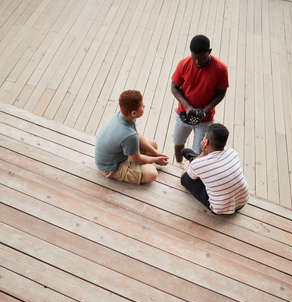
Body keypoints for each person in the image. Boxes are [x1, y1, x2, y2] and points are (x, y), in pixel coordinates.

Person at [171, 34, 229, 163]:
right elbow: (174, 87)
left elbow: (221, 93)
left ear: (209, 52)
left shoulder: (220, 69)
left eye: (201, 58)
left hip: (205, 119)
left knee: (199, 153)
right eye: (194, 58)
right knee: (178, 143)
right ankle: (179, 164)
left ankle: (192, 172)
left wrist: (205, 110)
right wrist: (187, 107)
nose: (197, 62)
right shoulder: (184, 64)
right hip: (183, 114)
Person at [95, 90, 168, 184]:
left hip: (115, 153)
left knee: (153, 145)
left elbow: (136, 134)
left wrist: (156, 153)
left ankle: (145, 157)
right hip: (111, 167)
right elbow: (137, 159)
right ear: (134, 113)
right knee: (152, 173)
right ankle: (137, 166)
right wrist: (155, 160)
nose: (144, 106)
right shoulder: (129, 135)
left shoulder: (122, 115)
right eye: (142, 106)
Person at [181, 123, 249, 215]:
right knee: (204, 170)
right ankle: (194, 159)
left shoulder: (199, 164)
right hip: (242, 201)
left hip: (220, 208)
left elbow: (186, 176)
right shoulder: (233, 152)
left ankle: (193, 159)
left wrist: (203, 154)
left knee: (185, 179)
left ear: (206, 142)